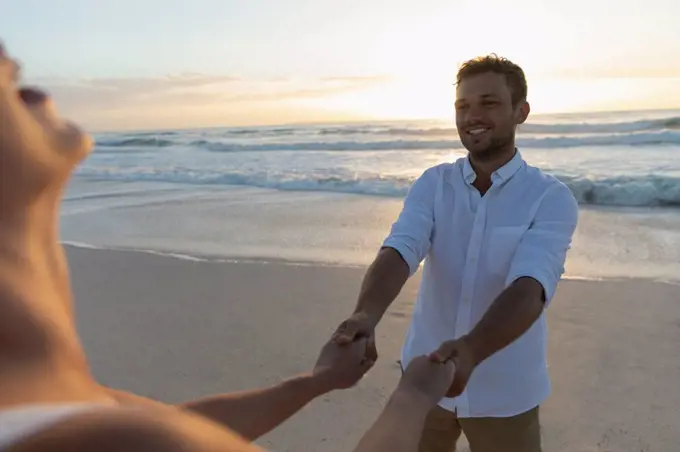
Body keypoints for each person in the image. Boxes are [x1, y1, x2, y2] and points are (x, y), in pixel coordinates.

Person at [0, 42, 457, 452]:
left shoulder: (33, 390)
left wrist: (315, 384)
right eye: (3, 72)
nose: (19, 70)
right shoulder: (113, 440)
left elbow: (174, 424)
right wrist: (411, 400)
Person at [332, 54, 580, 452]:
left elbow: (531, 285)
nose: (472, 116)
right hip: (424, 383)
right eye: (463, 106)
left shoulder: (550, 198)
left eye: (489, 103)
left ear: (522, 111)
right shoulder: (433, 184)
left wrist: (471, 350)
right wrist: (366, 314)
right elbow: (401, 248)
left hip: (506, 392)